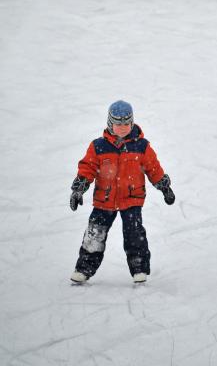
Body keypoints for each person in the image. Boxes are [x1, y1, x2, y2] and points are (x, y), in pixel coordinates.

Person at [69, 100, 175, 284]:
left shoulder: (141, 146)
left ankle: (139, 269)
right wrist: (79, 188)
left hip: (131, 199)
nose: (123, 128)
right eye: (118, 124)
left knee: (134, 234)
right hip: (105, 199)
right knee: (95, 233)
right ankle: (84, 269)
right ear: (110, 124)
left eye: (127, 124)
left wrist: (164, 186)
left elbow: (153, 168)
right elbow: (87, 168)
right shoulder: (98, 146)